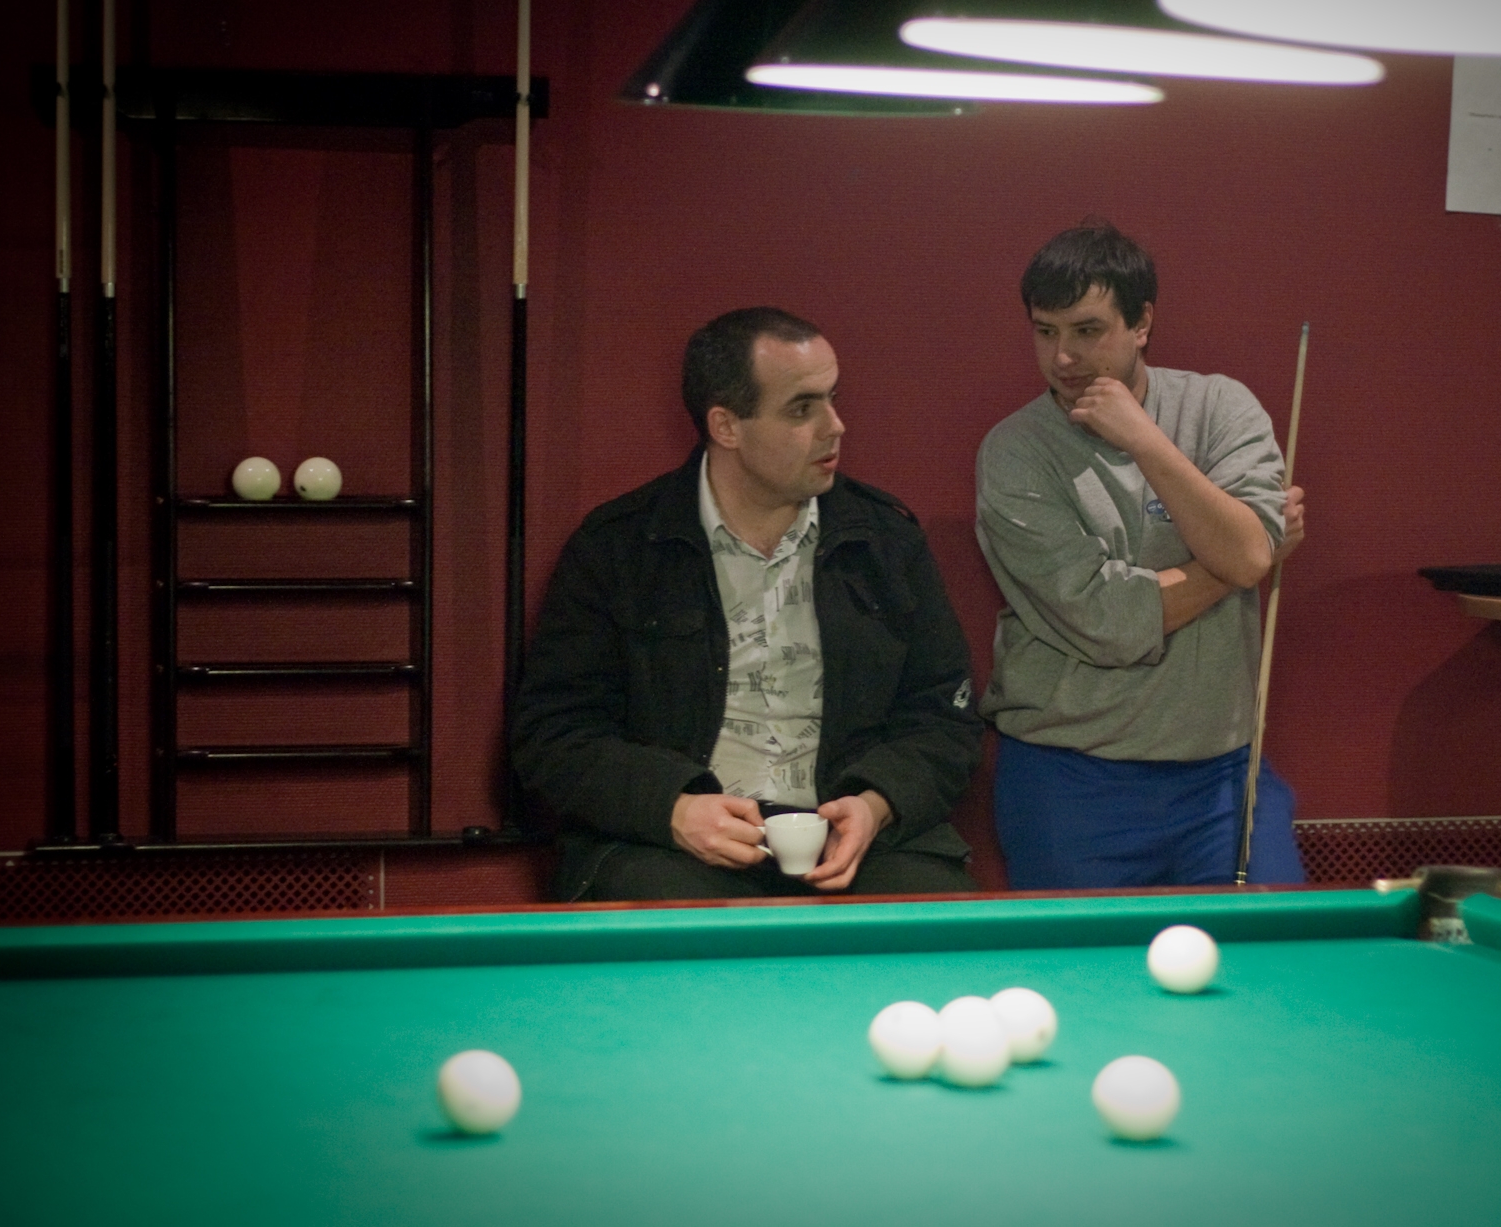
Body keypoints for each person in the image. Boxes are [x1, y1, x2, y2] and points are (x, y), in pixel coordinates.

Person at [512, 306, 980, 901]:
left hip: (864, 844)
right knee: (667, 920)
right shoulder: (620, 547)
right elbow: (554, 735)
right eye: (802, 409)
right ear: (726, 426)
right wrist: (673, 808)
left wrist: (876, 804)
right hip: (672, 850)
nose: (836, 426)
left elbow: (945, 720)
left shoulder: (886, 542)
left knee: (932, 923)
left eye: (833, 399)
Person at [975, 221, 1308, 890]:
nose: (1063, 357)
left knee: (1280, 946)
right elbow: (1106, 619)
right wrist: (1245, 554)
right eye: (1045, 331)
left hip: (1220, 770)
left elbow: (1246, 552)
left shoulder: (1220, 407)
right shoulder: (1013, 452)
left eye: (1087, 330)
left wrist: (1144, 439)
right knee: (1081, 963)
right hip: (1070, 772)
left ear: (1142, 323)